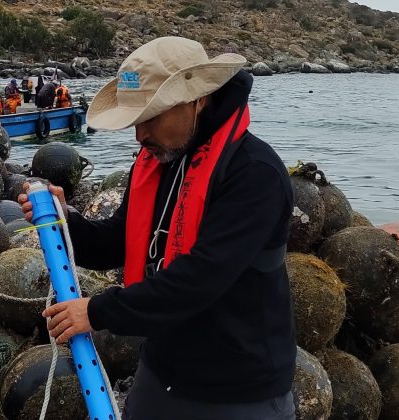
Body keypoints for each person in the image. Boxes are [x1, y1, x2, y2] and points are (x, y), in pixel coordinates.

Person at [19, 37, 296, 419]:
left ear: (197, 98)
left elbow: (199, 280)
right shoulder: (159, 158)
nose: (139, 135)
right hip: (162, 371)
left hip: (238, 390)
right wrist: (65, 223)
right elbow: (117, 242)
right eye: (135, 120)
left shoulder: (254, 174)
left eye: (151, 117)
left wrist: (96, 311)